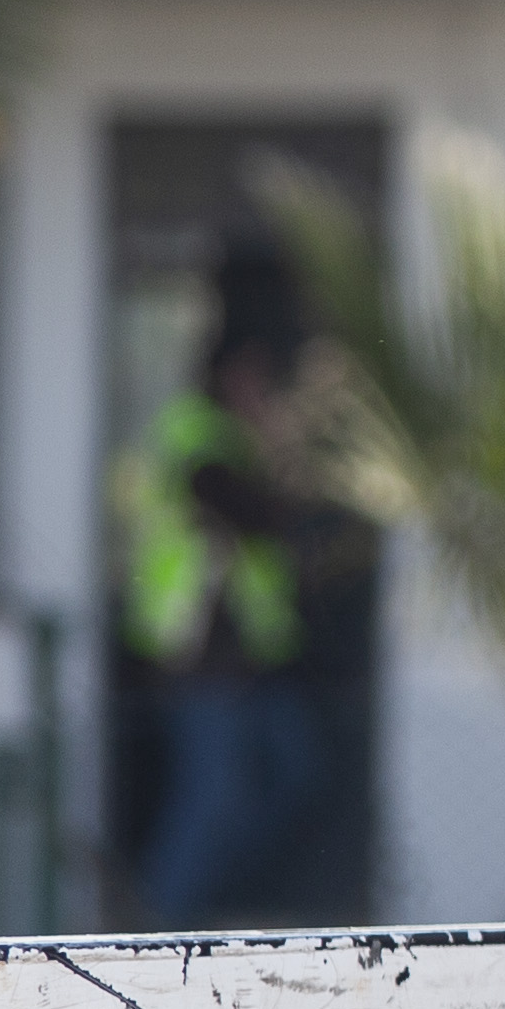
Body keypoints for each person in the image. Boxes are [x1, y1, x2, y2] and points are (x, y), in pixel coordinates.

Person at [122, 234, 338, 928]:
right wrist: (282, 448)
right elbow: (255, 514)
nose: (262, 393)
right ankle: (154, 928)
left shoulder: (239, 440)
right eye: (254, 379)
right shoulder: (197, 434)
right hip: (197, 661)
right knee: (211, 800)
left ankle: (200, 908)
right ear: (230, 374)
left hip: (251, 662)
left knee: (293, 776)